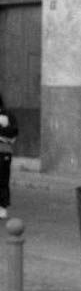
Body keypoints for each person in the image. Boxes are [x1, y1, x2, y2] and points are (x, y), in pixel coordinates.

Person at [0, 92, 16, 221]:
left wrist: (4, 128)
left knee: (2, 180)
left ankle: (2, 207)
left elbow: (13, 134)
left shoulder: (7, 115)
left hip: (3, 152)